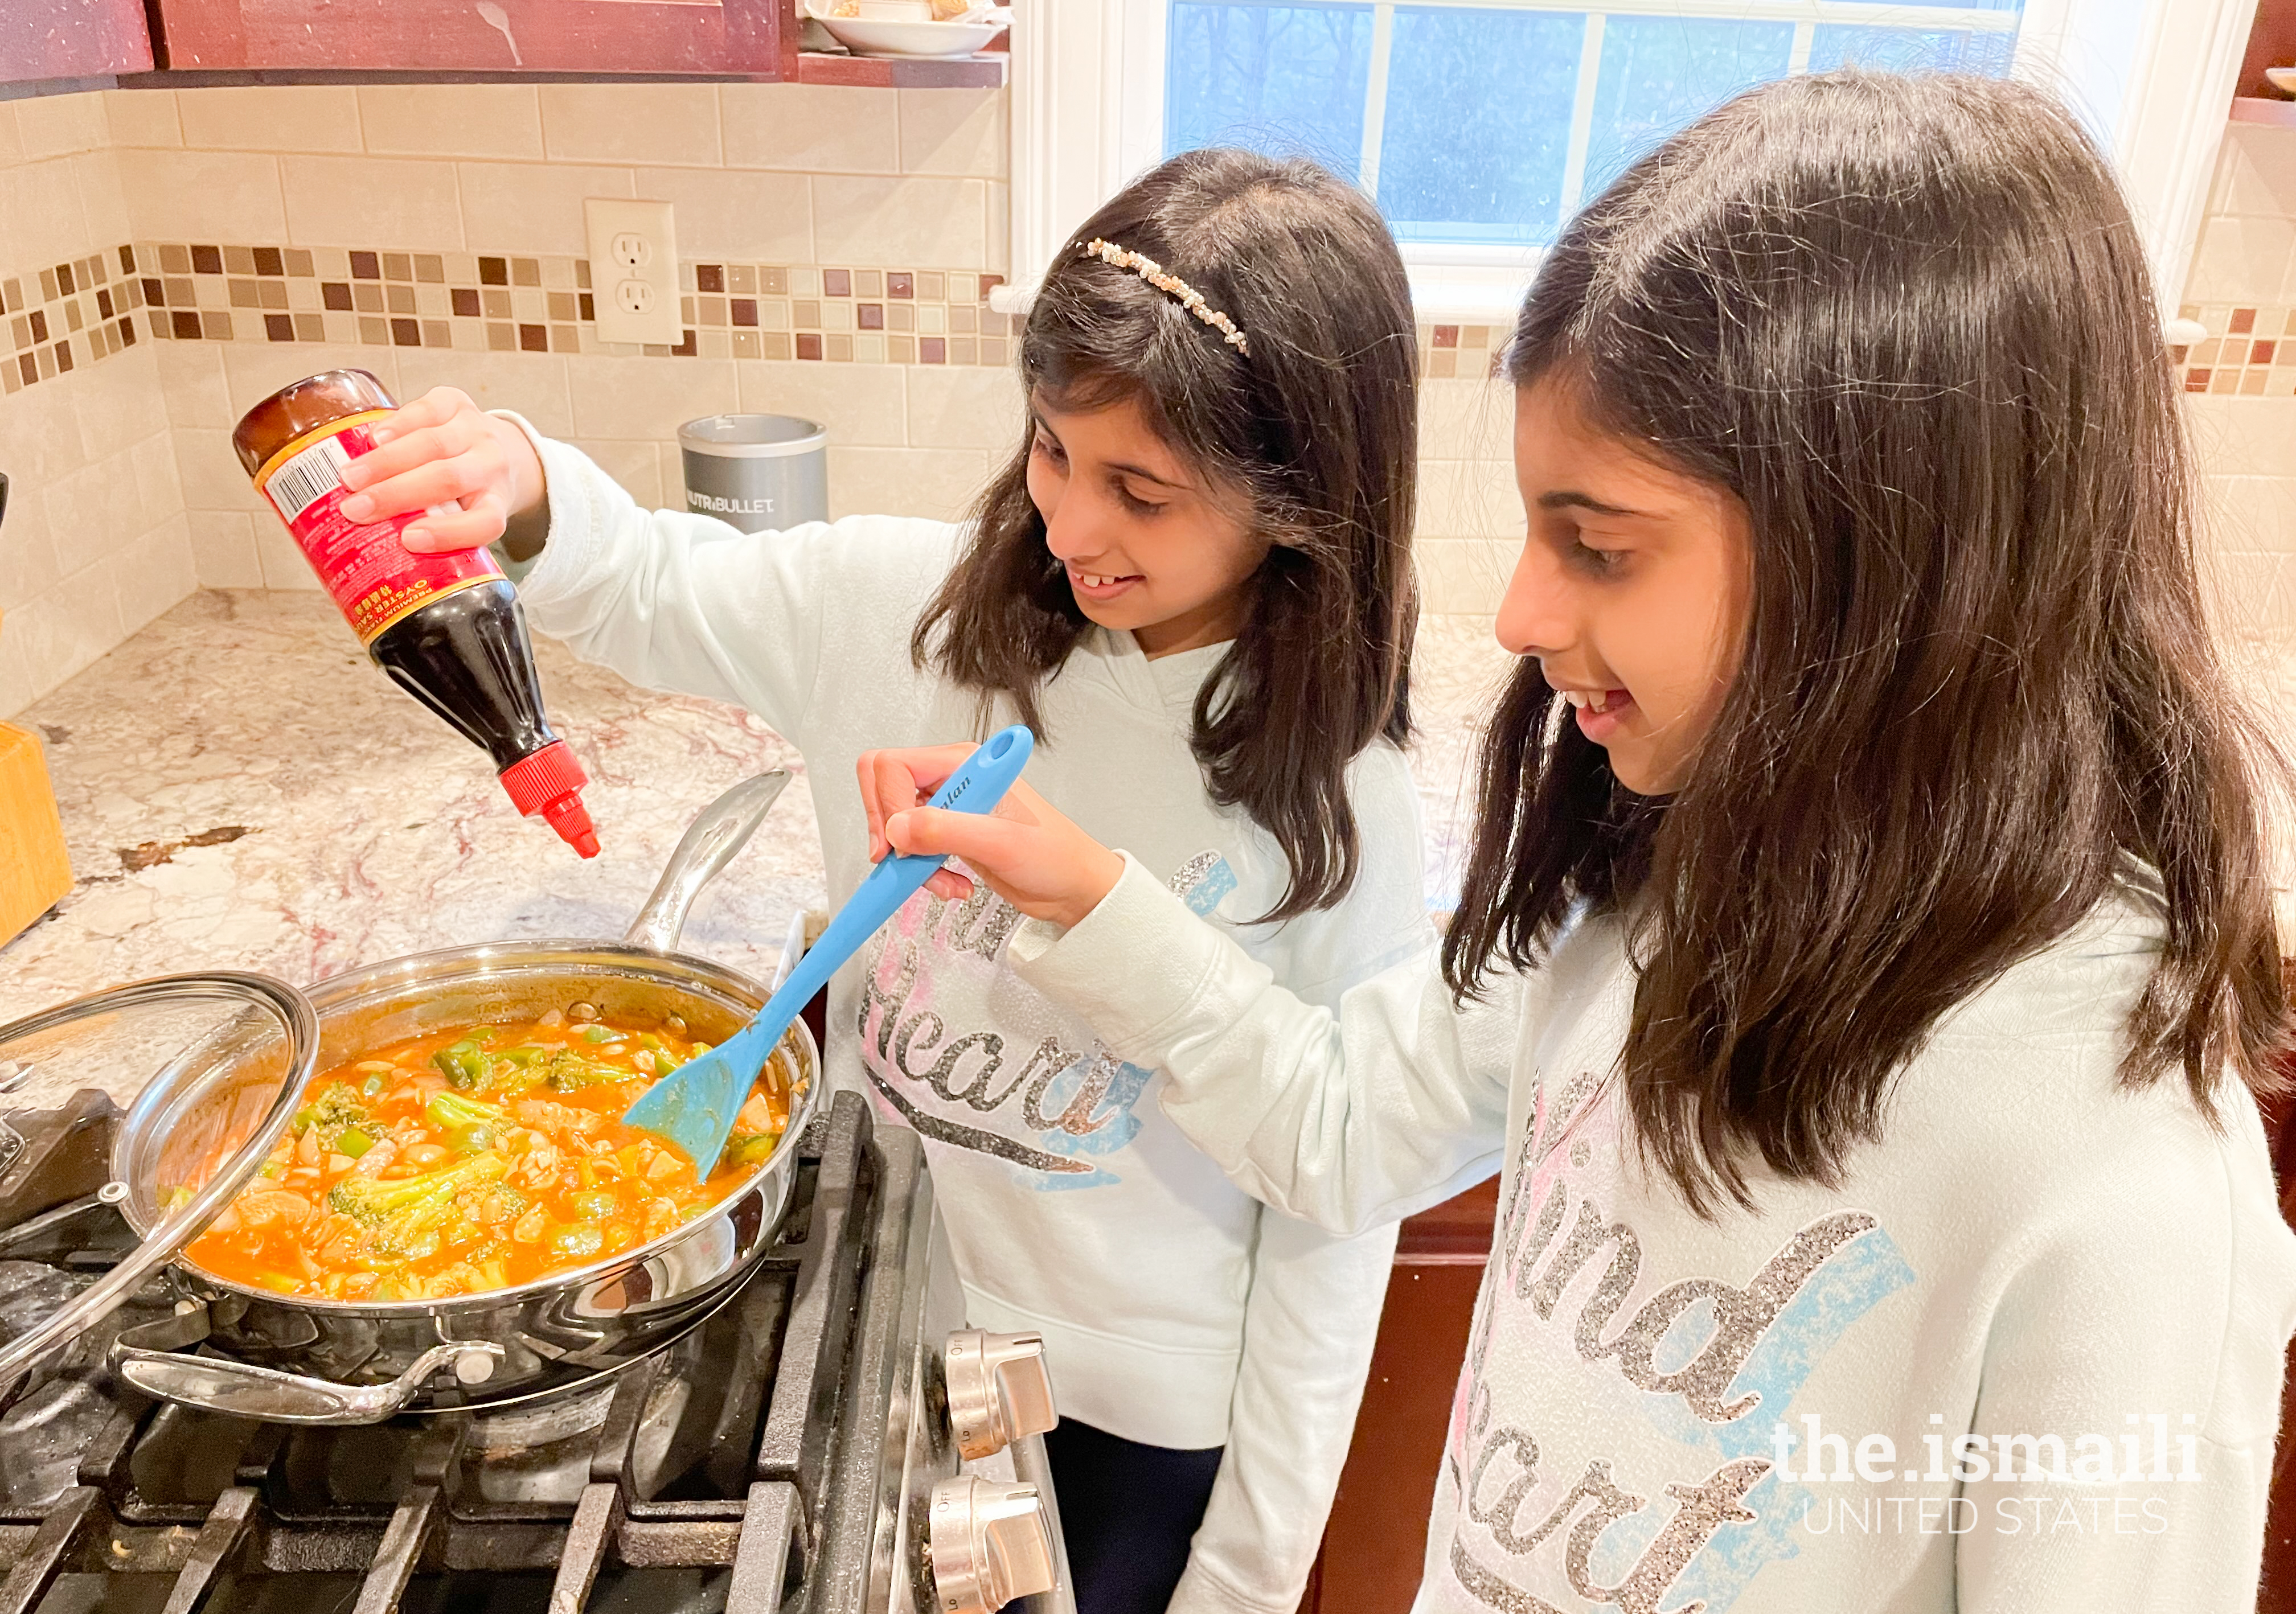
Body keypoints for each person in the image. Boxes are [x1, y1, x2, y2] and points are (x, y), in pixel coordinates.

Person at [855, 71, 2296, 1610]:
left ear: (1893, 568)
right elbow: (1331, 1124)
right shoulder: (1645, 889)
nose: (1523, 615)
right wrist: (1079, 886)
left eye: (1597, 546)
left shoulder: (2118, 1175)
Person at [333, 149, 1431, 1613]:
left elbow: (1331, 1224)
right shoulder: (901, 615)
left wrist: (1246, 1571)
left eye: (1143, 493)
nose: (1072, 525)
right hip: (851, 1330)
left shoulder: (1340, 802)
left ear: (1300, 502)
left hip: (1127, 1421)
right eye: (1051, 448)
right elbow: (654, 581)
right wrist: (527, 483)